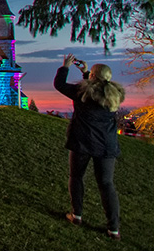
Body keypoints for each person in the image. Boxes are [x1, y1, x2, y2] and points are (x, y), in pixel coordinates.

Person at [54, 54, 126, 240]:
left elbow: (60, 85)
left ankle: (76, 215)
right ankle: (114, 228)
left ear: (93, 77)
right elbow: (95, 90)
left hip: (82, 141)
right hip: (106, 145)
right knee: (106, 184)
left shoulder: (81, 92)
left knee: (76, 177)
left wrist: (66, 66)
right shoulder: (114, 95)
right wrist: (86, 72)